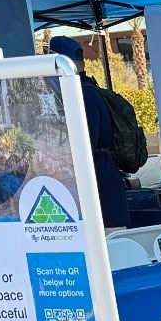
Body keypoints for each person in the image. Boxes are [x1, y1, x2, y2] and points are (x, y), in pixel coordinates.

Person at [48, 37, 129, 228]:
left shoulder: (81, 96)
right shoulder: (91, 91)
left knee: (109, 247)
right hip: (106, 181)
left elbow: (83, 145)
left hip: (97, 186)